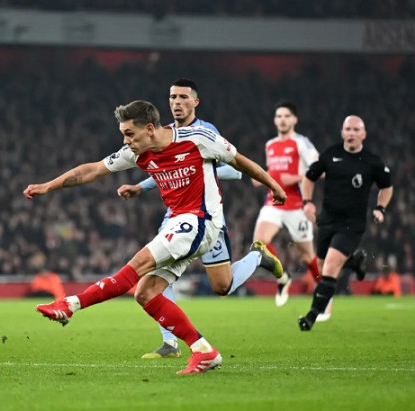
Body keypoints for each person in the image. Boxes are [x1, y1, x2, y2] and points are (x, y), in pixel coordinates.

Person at [24, 100, 286, 374]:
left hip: (201, 221)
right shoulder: (136, 152)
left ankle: (70, 305)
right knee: (145, 293)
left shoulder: (198, 138)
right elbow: (93, 170)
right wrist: (48, 186)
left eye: (129, 134)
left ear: (149, 129)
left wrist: (274, 187)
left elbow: (240, 162)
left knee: (136, 267)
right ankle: (204, 351)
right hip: (180, 223)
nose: (126, 141)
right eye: (123, 134)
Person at [116, 79, 281, 359]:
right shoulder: (162, 134)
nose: (176, 102)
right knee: (156, 273)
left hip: (206, 216)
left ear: (195, 102)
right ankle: (170, 342)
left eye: (183, 97)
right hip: (175, 216)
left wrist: (205, 171)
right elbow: (164, 169)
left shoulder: (205, 132)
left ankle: (257, 256)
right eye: (172, 97)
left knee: (222, 286)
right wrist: (141, 187)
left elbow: (233, 170)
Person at [298, 115, 393, 331]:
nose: (351, 133)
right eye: (347, 129)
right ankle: (354, 262)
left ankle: (311, 316)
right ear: (342, 132)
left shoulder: (372, 161)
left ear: (363, 134)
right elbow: (309, 177)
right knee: (322, 267)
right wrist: (307, 202)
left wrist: (380, 208)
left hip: (352, 224)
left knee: (330, 267)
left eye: (355, 130)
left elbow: (387, 186)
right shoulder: (330, 154)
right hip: (327, 220)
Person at [251, 101, 320, 307]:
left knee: (307, 256)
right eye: (279, 116)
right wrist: (261, 177)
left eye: (286, 116)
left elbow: (319, 169)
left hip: (297, 204)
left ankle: (324, 289)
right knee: (259, 243)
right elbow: (273, 172)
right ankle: (283, 278)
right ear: (275, 120)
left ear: (294, 120)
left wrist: (296, 177)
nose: (282, 120)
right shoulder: (270, 145)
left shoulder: (301, 143)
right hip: (273, 202)